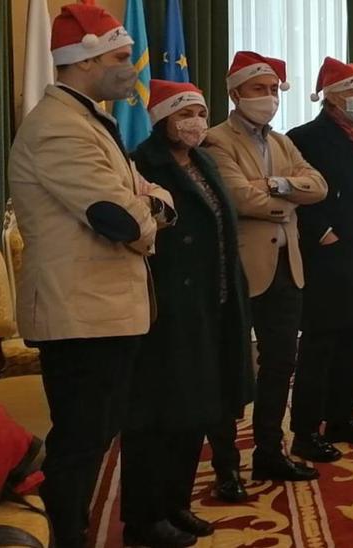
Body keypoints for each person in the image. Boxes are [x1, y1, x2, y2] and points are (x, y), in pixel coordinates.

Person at [7, 5, 174, 546]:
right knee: (82, 439)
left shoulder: (86, 119)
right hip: (80, 313)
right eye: (123, 58)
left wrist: (149, 205)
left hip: (104, 310)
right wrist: (150, 212)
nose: (134, 70)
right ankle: (66, 534)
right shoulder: (59, 129)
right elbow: (121, 219)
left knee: (95, 433)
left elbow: (152, 200)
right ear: (85, 61)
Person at [124, 80, 254, 546]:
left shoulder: (202, 162)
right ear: (163, 120)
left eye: (201, 113)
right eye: (186, 114)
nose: (197, 123)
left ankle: (177, 505)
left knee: (196, 412)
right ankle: (145, 517)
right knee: (159, 418)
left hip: (215, 304)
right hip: (171, 312)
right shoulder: (142, 164)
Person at [205, 51, 329, 482]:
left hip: (286, 267)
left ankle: (268, 451)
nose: (269, 97)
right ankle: (226, 465)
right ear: (236, 92)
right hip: (241, 269)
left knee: (280, 364)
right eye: (259, 89)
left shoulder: (280, 141)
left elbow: (319, 186)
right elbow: (239, 198)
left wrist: (277, 185)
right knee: (232, 368)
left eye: (274, 89)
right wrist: (286, 201)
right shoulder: (216, 140)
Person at [285, 58, 353, 462]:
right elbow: (299, 190)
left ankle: (341, 417)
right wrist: (322, 232)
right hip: (328, 256)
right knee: (321, 344)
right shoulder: (305, 137)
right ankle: (306, 430)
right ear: (331, 98)